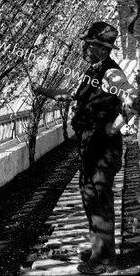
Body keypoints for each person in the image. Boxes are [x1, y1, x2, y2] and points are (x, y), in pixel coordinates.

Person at [33, 21, 140, 275]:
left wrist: (114, 127)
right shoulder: (93, 72)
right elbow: (70, 94)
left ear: (103, 49)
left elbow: (134, 100)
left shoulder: (110, 74)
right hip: (90, 145)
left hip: (102, 147)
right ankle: (98, 250)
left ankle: (104, 259)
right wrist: (40, 89)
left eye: (90, 44)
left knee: (99, 199)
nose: (85, 47)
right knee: (90, 197)